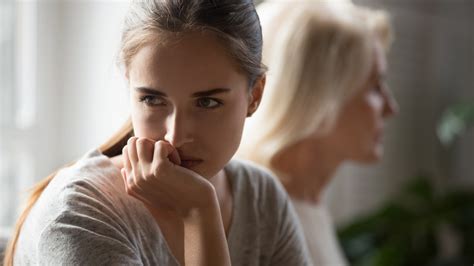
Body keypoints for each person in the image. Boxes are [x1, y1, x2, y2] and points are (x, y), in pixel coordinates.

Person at [4, 1, 312, 265]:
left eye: (207, 102)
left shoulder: (261, 198)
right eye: (152, 99)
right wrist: (199, 211)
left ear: (254, 96)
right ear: (129, 86)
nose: (175, 137)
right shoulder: (78, 217)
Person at [238, 1, 399, 265]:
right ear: (320, 97)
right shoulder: (255, 214)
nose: (391, 108)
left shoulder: (307, 204)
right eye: (375, 86)